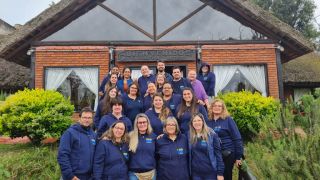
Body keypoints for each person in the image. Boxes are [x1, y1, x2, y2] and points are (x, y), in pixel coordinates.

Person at [207, 99, 243, 180]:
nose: (217, 107)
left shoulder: (228, 120)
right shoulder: (208, 121)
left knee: (225, 175)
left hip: (227, 153)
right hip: (214, 153)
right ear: (211, 108)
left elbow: (237, 138)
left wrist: (238, 157)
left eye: (219, 106)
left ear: (223, 108)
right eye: (215, 106)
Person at [57, 107, 97, 180]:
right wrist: (70, 175)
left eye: (89, 118)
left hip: (88, 176)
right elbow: (62, 155)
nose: (87, 120)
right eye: (84, 117)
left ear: (92, 119)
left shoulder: (93, 135)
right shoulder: (70, 133)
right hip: (73, 176)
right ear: (80, 118)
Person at [189, 113, 224, 180]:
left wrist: (220, 173)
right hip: (196, 173)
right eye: (194, 121)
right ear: (192, 123)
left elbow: (218, 154)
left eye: (199, 120)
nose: (197, 123)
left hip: (210, 172)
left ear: (203, 121)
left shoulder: (211, 135)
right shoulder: (189, 136)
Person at [128, 113, 157, 180]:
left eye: (144, 122)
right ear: (136, 124)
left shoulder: (153, 137)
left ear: (148, 123)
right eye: (140, 123)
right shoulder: (130, 136)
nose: (142, 124)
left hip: (151, 173)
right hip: (134, 174)